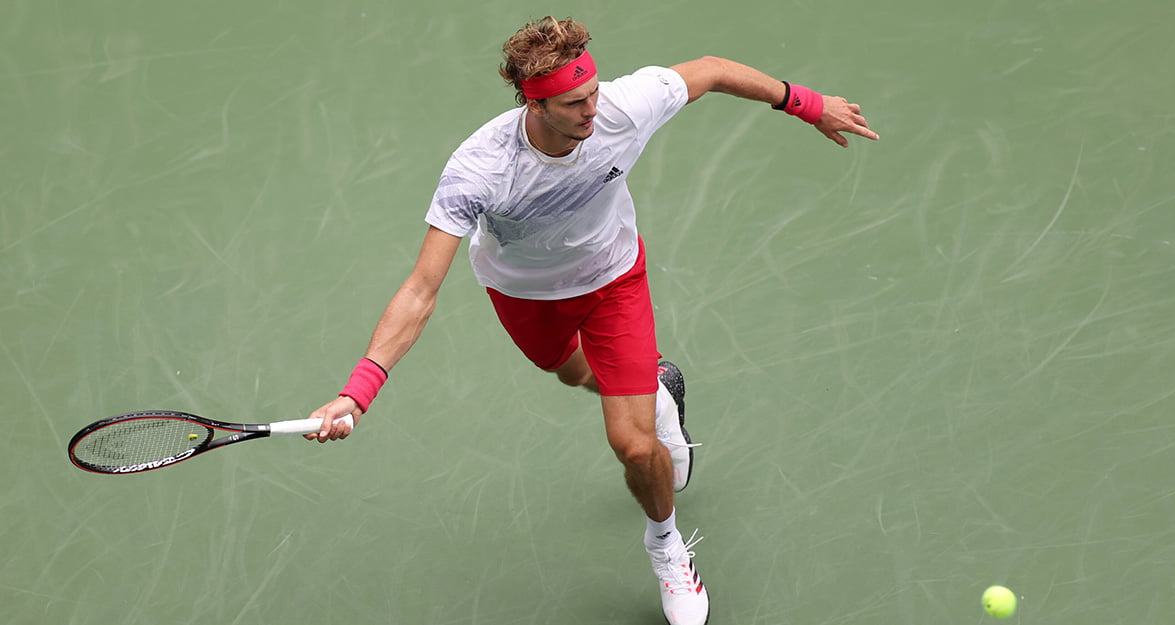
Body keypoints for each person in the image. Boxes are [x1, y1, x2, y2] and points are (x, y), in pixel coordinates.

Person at [305, 16, 877, 625]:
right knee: (576, 375)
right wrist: (357, 392)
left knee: (632, 445)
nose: (592, 111)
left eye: (594, 92)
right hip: (525, 297)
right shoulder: (481, 170)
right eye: (574, 103)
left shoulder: (623, 108)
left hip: (613, 282)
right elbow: (421, 290)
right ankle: (655, 387)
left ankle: (666, 547)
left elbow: (710, 70)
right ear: (535, 103)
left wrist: (807, 104)